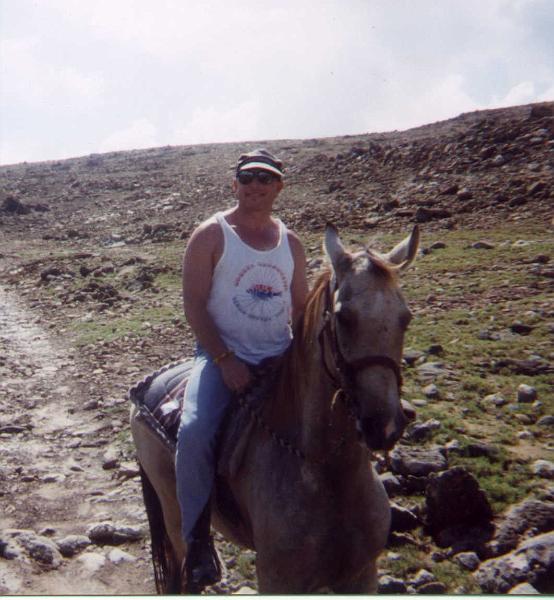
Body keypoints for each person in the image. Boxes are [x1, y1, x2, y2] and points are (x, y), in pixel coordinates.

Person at [176, 148, 309, 589]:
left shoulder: (291, 243)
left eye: (264, 179)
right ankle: (197, 540)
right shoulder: (211, 235)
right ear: (234, 185)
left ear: (279, 187)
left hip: (281, 356)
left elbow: (302, 308)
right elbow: (194, 305)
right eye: (247, 178)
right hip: (223, 356)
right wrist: (224, 359)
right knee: (194, 429)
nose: (255, 185)